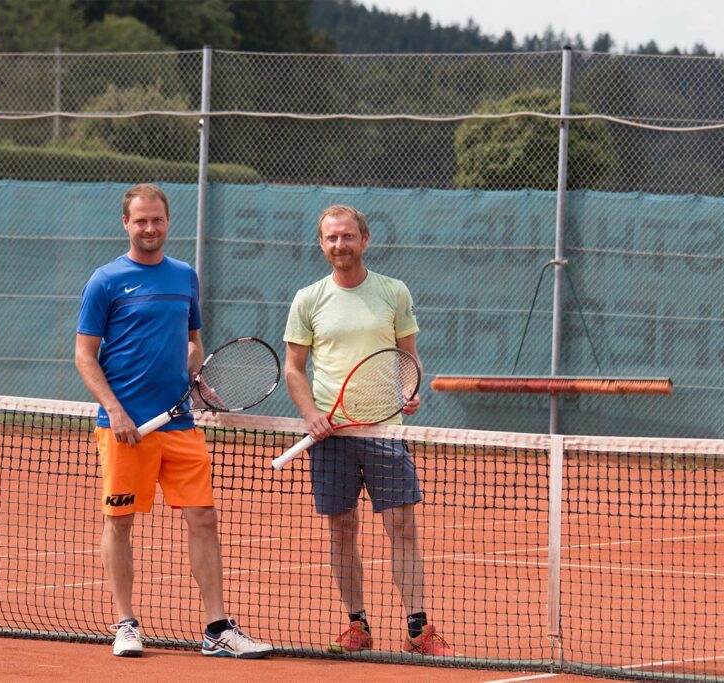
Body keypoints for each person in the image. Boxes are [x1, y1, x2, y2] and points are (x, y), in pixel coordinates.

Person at [75, 183, 272, 659]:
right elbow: (85, 356)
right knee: (119, 521)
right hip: (125, 428)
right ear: (126, 223)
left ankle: (216, 630)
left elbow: (193, 345)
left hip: (180, 425)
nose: (148, 228)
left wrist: (198, 383)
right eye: (140, 220)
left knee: (203, 518)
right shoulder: (105, 280)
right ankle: (125, 624)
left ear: (168, 222)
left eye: (156, 220)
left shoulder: (185, 277)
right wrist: (117, 411)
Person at [283, 204, 454, 656]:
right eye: (331, 238)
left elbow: (408, 355)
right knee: (341, 530)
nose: (340, 245)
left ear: (364, 239)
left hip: (385, 432)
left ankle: (418, 629)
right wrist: (309, 415)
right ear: (321, 244)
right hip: (331, 436)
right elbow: (294, 370)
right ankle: (357, 624)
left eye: (347, 236)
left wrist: (409, 387)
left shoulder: (393, 293)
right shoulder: (308, 299)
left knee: (402, 527)